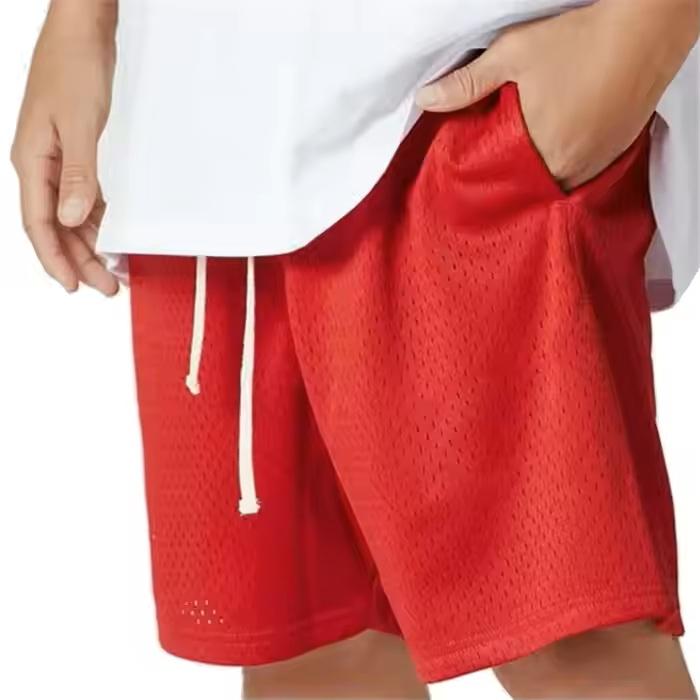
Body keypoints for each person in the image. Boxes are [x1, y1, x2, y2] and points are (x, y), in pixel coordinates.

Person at [11, 0, 700, 697]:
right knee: (314, 649)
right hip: (201, 125)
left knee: (573, 644)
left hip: (457, 81)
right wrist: (80, 21)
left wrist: (648, 27)